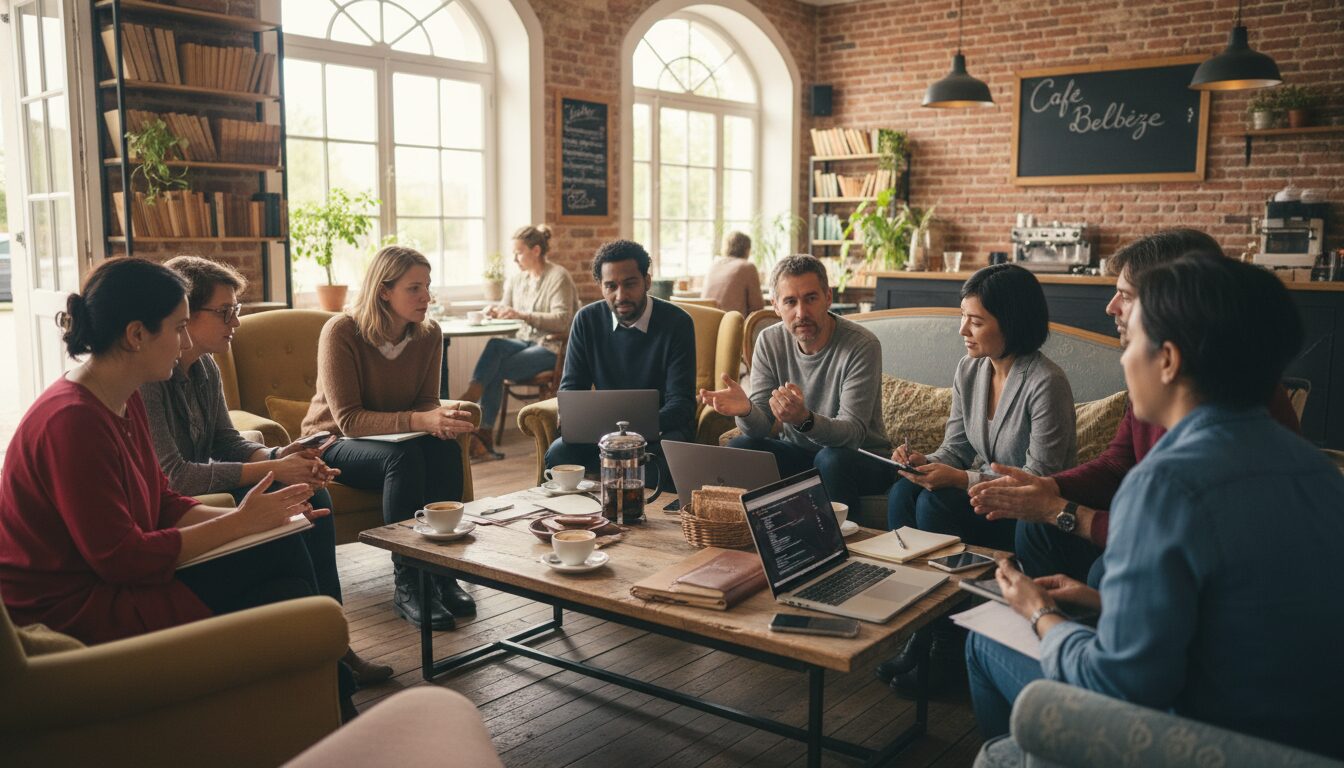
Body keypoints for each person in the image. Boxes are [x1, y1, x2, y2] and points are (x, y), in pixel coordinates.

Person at [969, 255, 1343, 761]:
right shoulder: (1319, 471)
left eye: (1131, 342)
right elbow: (1249, 621)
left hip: (1200, 740)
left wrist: (1039, 612)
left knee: (985, 641)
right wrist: (1104, 602)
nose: (1124, 361)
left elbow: (1114, 684)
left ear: (1167, 360)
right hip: (1306, 744)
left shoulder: (1166, 484)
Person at [0, 258, 359, 717]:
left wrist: (266, 522)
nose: (186, 342)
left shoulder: (122, 398)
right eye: (178, 327)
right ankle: (327, 709)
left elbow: (162, 502)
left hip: (110, 576)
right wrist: (241, 524)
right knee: (282, 582)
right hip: (76, 602)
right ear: (136, 335)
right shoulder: (72, 422)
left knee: (285, 548)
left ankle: (321, 709)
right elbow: (122, 559)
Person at [969, 230, 1301, 587]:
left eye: (1125, 296)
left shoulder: (1229, 413)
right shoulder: (1161, 383)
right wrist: (1047, 485)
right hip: (1149, 543)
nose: (1111, 306)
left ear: (1172, 300)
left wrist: (1059, 510)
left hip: (1190, 567)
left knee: (991, 636)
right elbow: (1117, 463)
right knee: (1036, 530)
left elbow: (1168, 534)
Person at [140, 255, 391, 686]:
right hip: (188, 500)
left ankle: (333, 635)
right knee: (293, 495)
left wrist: (282, 457)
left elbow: (226, 442)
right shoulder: (148, 380)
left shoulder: (204, 369)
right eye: (224, 311)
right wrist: (266, 471)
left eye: (236, 310)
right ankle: (317, 640)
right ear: (184, 313)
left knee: (310, 489)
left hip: (211, 481)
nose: (234, 321)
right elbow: (174, 476)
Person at [879, 264, 1076, 694]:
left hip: (1025, 515)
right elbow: (955, 447)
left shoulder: (1046, 383)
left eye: (976, 320)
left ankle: (946, 653)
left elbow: (1036, 478)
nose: (963, 330)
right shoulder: (970, 370)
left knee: (934, 503)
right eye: (962, 316)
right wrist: (921, 461)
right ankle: (919, 629)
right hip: (983, 502)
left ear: (1012, 323)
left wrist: (959, 479)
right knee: (903, 489)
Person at [304, 245, 475, 632]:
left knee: (444, 449)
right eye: (414, 288)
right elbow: (348, 421)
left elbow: (426, 402)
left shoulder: (429, 333)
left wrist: (438, 421)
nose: (426, 297)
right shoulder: (342, 331)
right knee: (405, 459)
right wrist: (420, 419)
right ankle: (410, 582)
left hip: (397, 438)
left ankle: (442, 574)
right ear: (384, 291)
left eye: (427, 286)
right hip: (333, 442)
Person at [701, 254, 894, 513]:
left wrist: (804, 419)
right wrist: (746, 411)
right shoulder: (769, 341)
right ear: (776, 306)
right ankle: (759, 538)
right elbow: (760, 428)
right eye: (790, 302)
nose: (801, 312)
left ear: (828, 297)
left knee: (831, 459)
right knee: (741, 446)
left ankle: (844, 549)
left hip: (862, 458)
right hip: (802, 454)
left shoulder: (861, 345)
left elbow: (852, 433)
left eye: (811, 298)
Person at [545, 239, 697, 477]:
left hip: (661, 433)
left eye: (630, 284)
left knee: (667, 460)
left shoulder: (678, 323)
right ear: (600, 286)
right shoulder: (586, 320)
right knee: (559, 453)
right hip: (603, 436)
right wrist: (575, 418)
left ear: (647, 281)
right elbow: (573, 389)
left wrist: (628, 435)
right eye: (611, 286)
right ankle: (576, 514)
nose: (620, 295)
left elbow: (681, 404)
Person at [458, 224, 579, 459]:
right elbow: (507, 307)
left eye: (519, 252)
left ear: (535, 250)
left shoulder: (558, 276)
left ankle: (481, 431)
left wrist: (523, 315)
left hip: (551, 348)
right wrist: (494, 310)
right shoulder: (517, 279)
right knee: (495, 345)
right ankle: (477, 408)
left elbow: (563, 321)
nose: (514, 259)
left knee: (495, 368)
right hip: (523, 342)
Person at [701, 230, 765, 316]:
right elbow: (758, 307)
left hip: (704, 322)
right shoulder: (747, 267)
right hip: (729, 325)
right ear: (747, 250)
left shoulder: (714, 264)